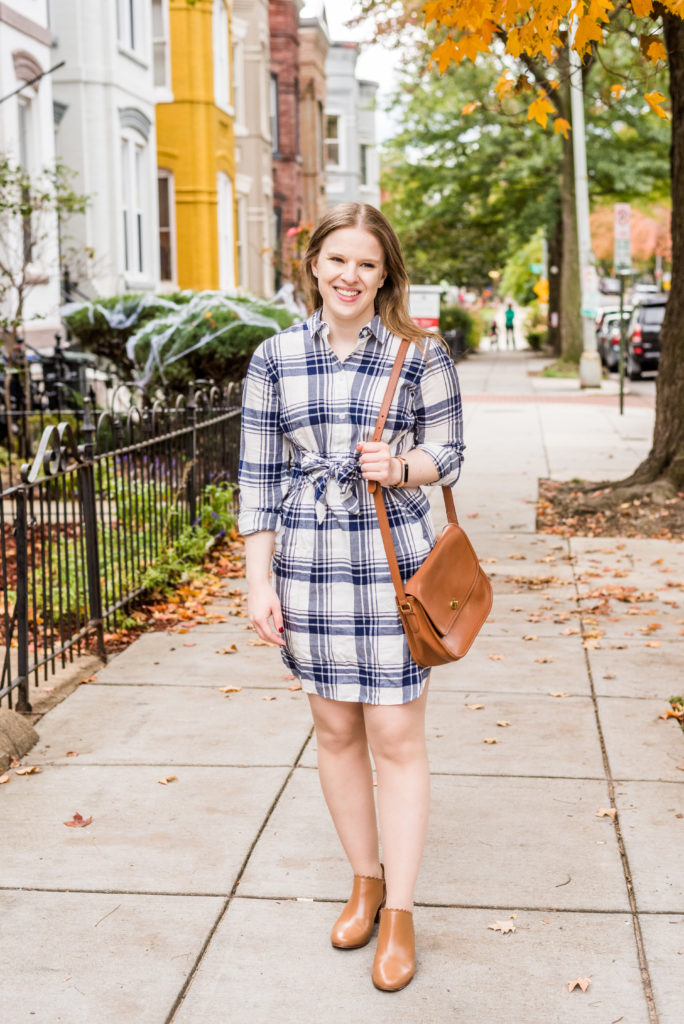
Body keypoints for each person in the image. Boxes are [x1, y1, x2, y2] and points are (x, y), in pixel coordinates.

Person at [238, 203, 464, 992]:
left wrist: (400, 466)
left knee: (396, 738)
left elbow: (450, 450)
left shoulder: (419, 353)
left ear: (386, 274)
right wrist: (258, 580)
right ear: (314, 265)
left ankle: (399, 912)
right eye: (338, 260)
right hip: (308, 562)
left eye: (367, 264)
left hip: (390, 562)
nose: (350, 276)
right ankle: (363, 881)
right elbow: (258, 478)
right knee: (334, 732)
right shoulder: (273, 357)